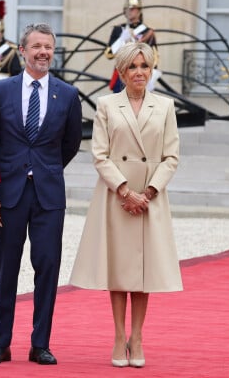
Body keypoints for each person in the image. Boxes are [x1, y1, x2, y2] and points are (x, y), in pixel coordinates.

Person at [69, 42, 183, 368]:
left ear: (151, 69)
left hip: (151, 198)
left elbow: (171, 156)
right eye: (132, 67)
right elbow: (99, 154)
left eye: (144, 66)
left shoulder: (165, 106)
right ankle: (119, 336)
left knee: (143, 271)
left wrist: (148, 192)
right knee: (119, 269)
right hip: (115, 196)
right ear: (121, 70)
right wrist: (123, 190)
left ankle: (137, 336)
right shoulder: (106, 105)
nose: (139, 72)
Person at [0, 23, 83, 366]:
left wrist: (44, 169)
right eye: (37, 46)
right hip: (9, 194)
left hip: (48, 195)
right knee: (6, 269)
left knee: (48, 266)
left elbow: (69, 144)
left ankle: (40, 344)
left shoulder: (67, 95)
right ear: (22, 51)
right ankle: (0, 343)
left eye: (49, 47)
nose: (43, 52)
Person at [104, 0, 160, 93]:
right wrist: (121, 39)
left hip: (140, 76)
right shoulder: (118, 30)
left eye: (133, 9)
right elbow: (108, 54)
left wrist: (150, 78)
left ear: (139, 11)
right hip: (122, 75)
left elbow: (154, 58)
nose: (130, 11)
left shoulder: (147, 32)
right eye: (127, 9)